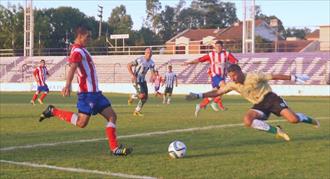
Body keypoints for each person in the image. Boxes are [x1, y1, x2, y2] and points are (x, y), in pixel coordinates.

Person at [39, 25, 132, 156]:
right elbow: (72, 68)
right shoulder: (77, 51)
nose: (89, 39)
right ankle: (53, 111)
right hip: (87, 95)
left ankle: (114, 148)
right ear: (80, 36)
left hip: (96, 94)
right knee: (81, 123)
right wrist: (67, 85)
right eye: (87, 37)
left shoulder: (82, 50)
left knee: (112, 116)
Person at [186, 64, 319, 141]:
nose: (233, 78)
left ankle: (308, 119)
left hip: (271, 99)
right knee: (247, 120)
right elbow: (218, 92)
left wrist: (294, 77)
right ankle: (277, 131)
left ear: (240, 72)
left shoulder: (253, 76)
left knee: (294, 120)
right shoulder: (233, 84)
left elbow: (274, 76)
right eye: (230, 76)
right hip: (259, 105)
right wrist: (199, 95)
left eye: (234, 75)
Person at [183, 40, 238, 117]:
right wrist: (189, 63)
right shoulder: (211, 55)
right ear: (214, 47)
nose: (218, 48)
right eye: (216, 47)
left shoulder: (226, 54)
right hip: (215, 76)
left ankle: (200, 106)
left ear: (222, 47)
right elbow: (199, 60)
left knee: (214, 94)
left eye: (219, 46)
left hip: (222, 76)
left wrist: (233, 66)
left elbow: (235, 61)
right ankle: (215, 102)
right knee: (224, 87)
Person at [127, 47, 156, 117]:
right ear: (145, 53)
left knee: (145, 98)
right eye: (148, 53)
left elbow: (152, 71)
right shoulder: (140, 60)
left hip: (143, 81)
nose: (149, 54)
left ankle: (136, 111)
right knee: (142, 95)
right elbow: (128, 65)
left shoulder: (152, 63)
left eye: (150, 53)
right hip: (136, 80)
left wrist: (153, 76)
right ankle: (132, 96)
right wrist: (133, 75)